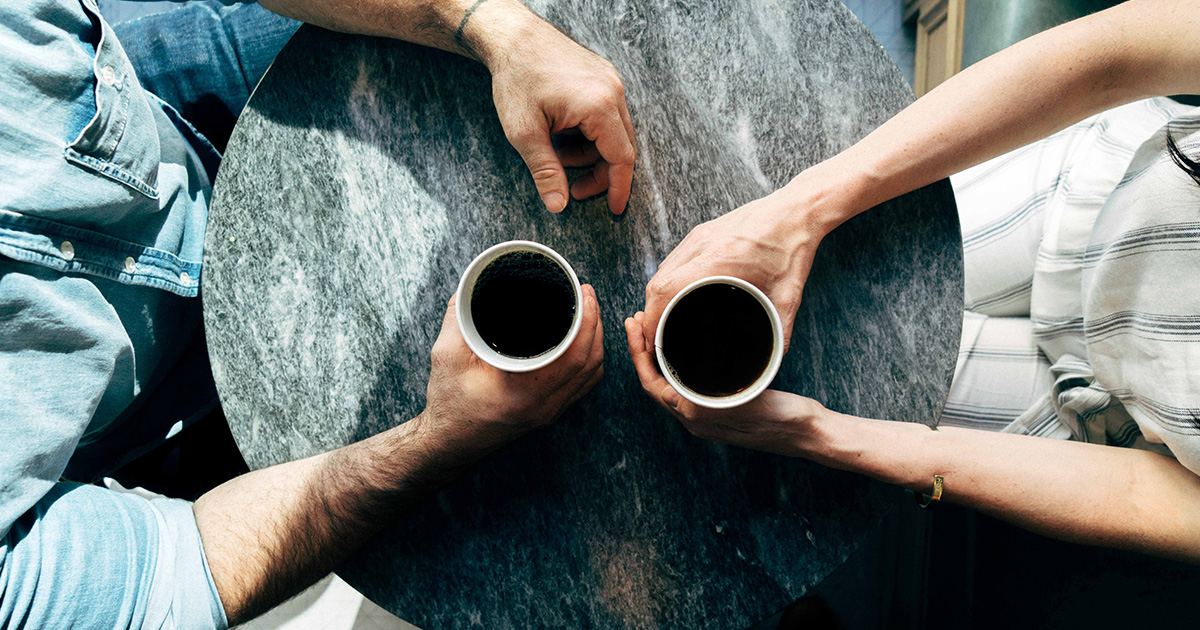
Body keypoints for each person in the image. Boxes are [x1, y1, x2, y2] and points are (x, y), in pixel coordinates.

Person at [0, 0, 632, 627]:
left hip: (140, 109)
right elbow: (167, 576)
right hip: (166, 406)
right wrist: (441, 438)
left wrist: (489, 26)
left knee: (562, 56)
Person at [629, 0, 1200, 563]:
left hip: (1111, 419)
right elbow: (1119, 53)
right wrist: (798, 213)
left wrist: (817, 432)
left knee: (841, 388)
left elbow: (1151, 502)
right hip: (1093, 196)